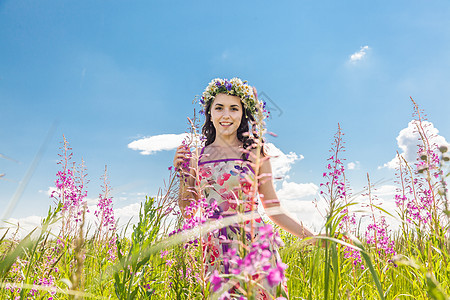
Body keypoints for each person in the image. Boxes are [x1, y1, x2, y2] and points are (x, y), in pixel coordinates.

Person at [173, 78, 315, 299]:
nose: (226, 115)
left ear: (243, 114)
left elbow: (273, 208)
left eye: (234, 108)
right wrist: (183, 172)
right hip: (215, 251)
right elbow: (188, 211)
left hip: (256, 246)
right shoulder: (196, 157)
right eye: (219, 108)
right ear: (209, 113)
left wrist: (311, 236)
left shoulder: (256, 153)